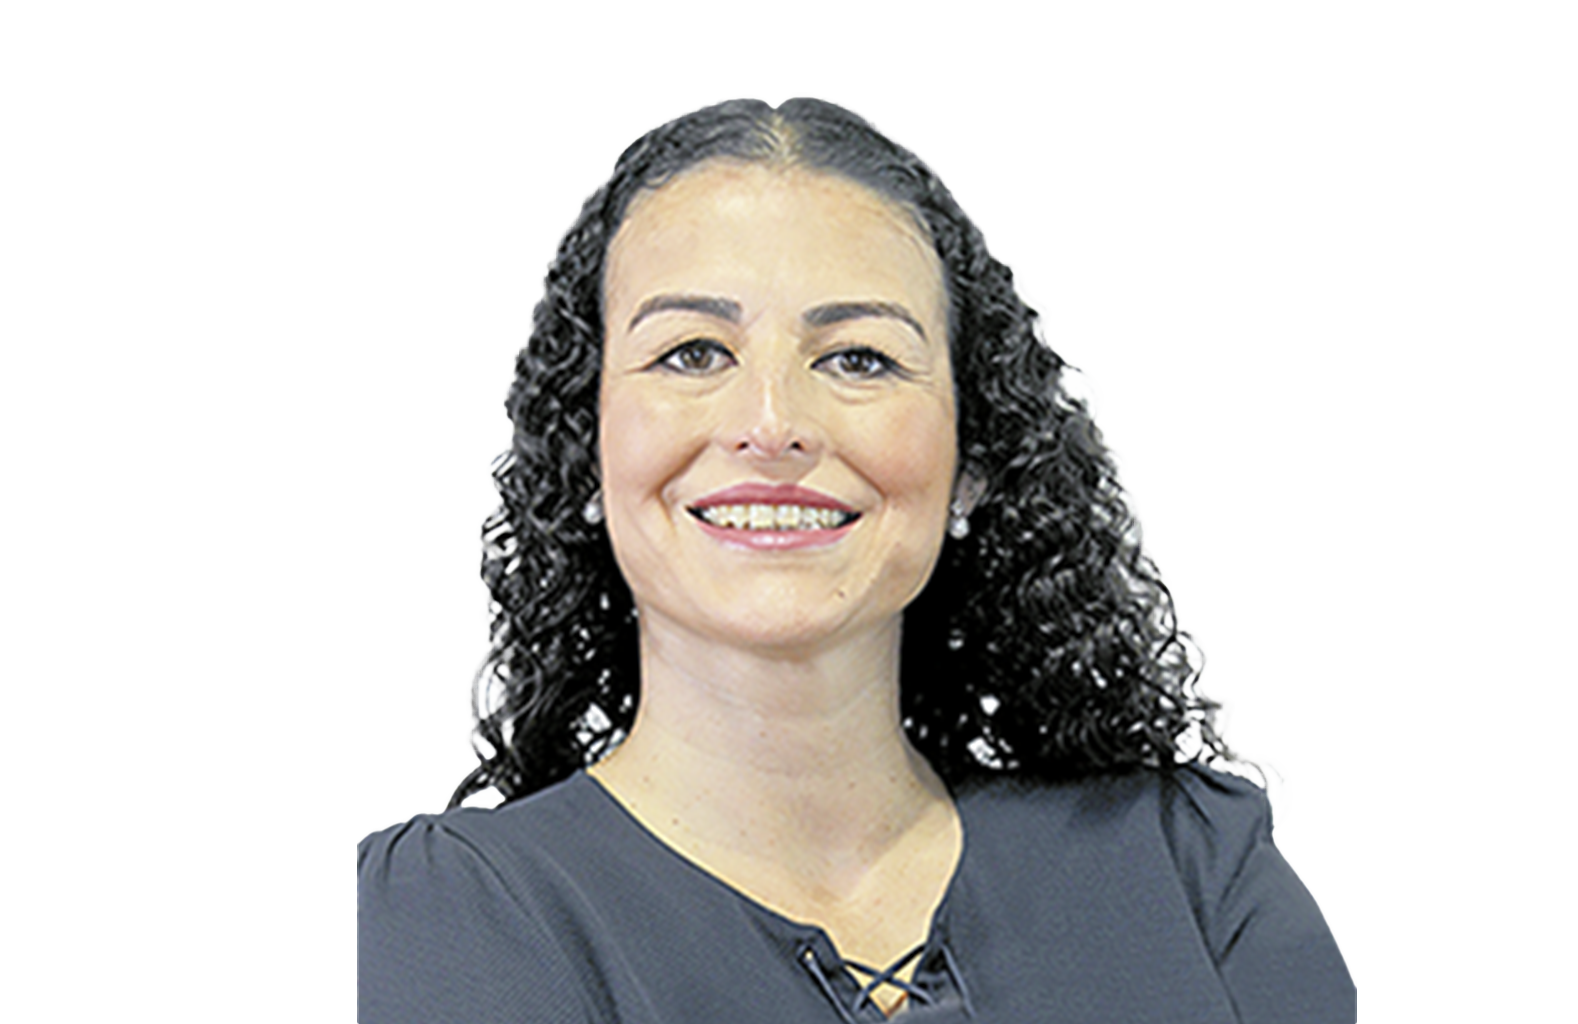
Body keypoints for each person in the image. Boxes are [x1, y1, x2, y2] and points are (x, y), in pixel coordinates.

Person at [358, 96, 1355, 1023]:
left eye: (859, 359)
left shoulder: (1186, 861)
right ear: (588, 446)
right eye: (693, 352)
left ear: (971, 462)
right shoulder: (457, 911)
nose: (772, 423)